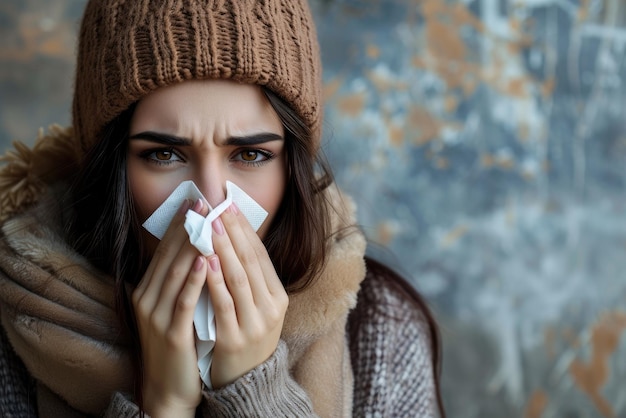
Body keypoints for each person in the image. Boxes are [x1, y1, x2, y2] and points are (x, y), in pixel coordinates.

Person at [0, 0, 444, 417]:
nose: (210, 202)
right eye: (163, 155)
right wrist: (163, 404)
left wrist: (256, 395)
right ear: (109, 167)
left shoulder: (381, 331)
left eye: (250, 155)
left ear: (291, 167)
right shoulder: (14, 325)